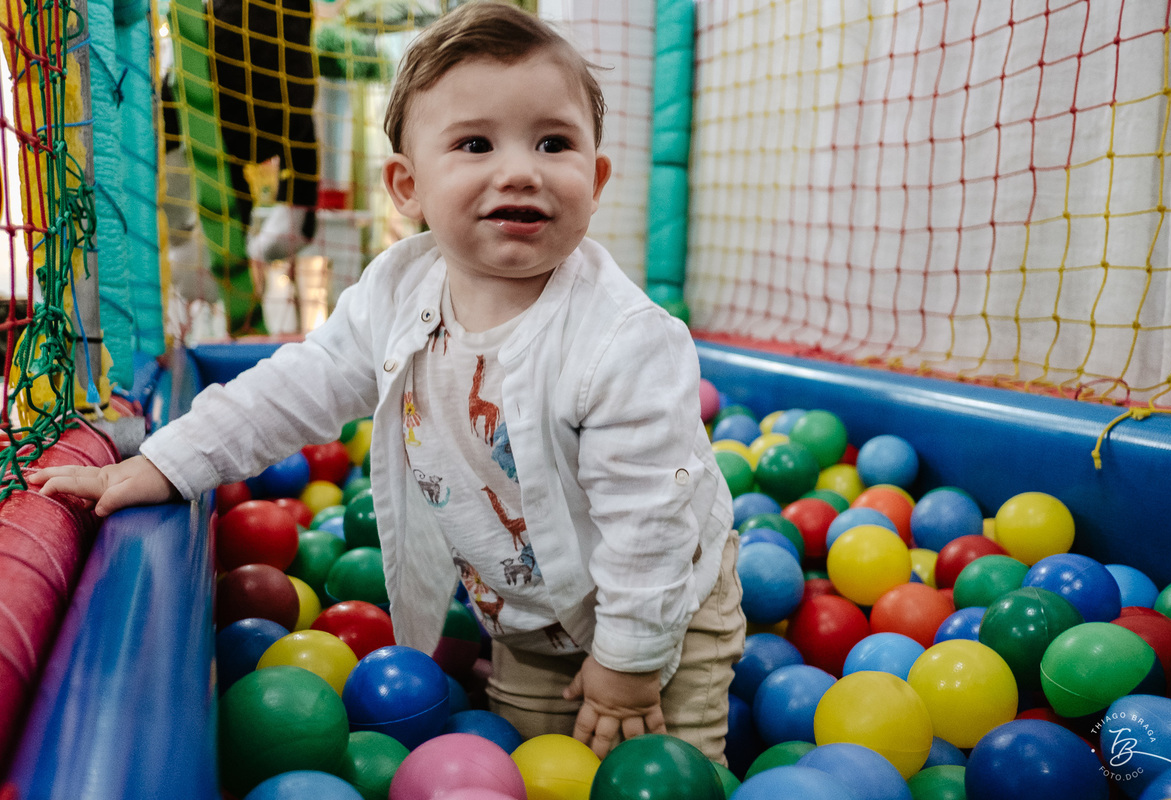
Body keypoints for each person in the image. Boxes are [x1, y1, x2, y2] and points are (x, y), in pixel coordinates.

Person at [30, 1, 743, 762]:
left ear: (595, 177)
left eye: (554, 142)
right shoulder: (396, 293)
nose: (520, 169)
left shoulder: (622, 340)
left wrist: (630, 664)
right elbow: (297, 386)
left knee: (669, 769)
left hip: (667, 609)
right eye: (475, 143)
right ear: (407, 186)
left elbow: (650, 518)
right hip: (528, 623)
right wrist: (168, 462)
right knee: (524, 765)